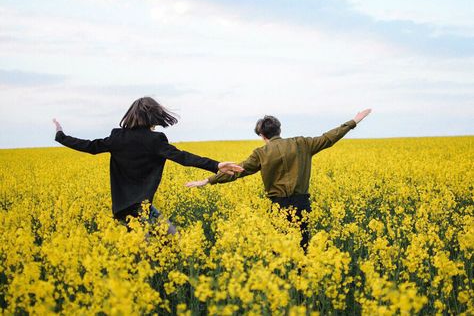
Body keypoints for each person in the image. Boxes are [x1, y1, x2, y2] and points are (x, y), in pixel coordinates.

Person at [53, 96, 243, 234]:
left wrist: (61, 136)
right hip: (137, 209)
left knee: (167, 239)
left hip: (130, 207)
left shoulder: (117, 137)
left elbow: (89, 146)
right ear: (154, 117)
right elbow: (183, 157)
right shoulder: (155, 140)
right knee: (154, 248)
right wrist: (216, 165)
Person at [186, 109, 372, 249]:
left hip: (279, 206)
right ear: (279, 129)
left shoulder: (260, 153)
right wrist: (354, 121)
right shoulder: (302, 143)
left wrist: (209, 180)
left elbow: (237, 171)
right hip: (302, 204)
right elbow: (328, 138)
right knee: (303, 248)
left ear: (262, 135)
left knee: (279, 249)